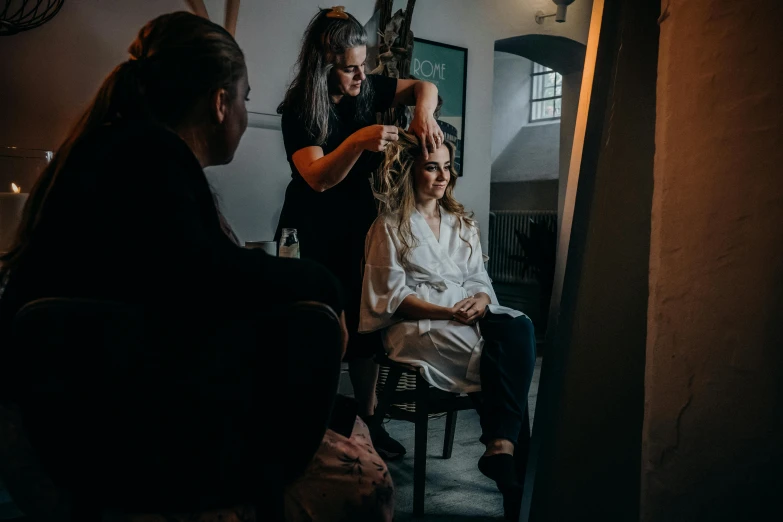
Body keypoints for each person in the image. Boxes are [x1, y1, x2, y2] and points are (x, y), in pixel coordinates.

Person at [0, 11, 392, 522]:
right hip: (75, 441)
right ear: (219, 102)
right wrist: (324, 286)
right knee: (365, 481)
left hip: (64, 419)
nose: (248, 116)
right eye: (246, 99)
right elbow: (208, 275)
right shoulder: (149, 159)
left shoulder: (117, 147)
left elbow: (187, 281)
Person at [276, 6, 443, 460]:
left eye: (363, 64)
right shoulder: (300, 107)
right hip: (313, 227)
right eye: (350, 68)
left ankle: (369, 421)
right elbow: (317, 178)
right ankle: (320, 423)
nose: (361, 75)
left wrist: (423, 115)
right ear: (323, 63)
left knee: (367, 324)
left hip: (362, 224)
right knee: (328, 325)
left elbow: (424, 87)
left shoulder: (367, 86)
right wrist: (357, 141)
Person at [359, 129, 537, 521]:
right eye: (431, 168)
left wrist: (482, 300)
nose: (443, 176)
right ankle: (510, 476)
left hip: (466, 313)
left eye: (447, 167)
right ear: (410, 172)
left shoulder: (461, 221)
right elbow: (389, 298)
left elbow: (478, 279)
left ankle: (501, 446)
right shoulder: (389, 225)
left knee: (520, 326)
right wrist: (447, 313)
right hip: (418, 324)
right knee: (500, 361)